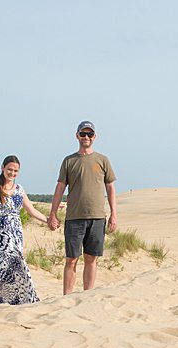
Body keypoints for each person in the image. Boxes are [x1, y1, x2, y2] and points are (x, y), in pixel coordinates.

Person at [47, 121, 117, 295]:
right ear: (77, 135)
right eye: (83, 134)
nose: (86, 137)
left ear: (95, 137)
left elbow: (110, 188)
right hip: (74, 218)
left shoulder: (103, 160)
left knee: (91, 258)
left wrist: (114, 214)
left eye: (90, 134)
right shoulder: (69, 161)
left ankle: (88, 295)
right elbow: (60, 188)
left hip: (97, 217)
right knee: (71, 259)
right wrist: (53, 213)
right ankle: (67, 297)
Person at [0, 155, 49, 306]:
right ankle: (1, 303)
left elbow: (32, 210)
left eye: (15, 171)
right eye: (9, 169)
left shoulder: (19, 190)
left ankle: (23, 302)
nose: (12, 173)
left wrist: (48, 220)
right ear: (2, 168)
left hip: (14, 234)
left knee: (17, 267)